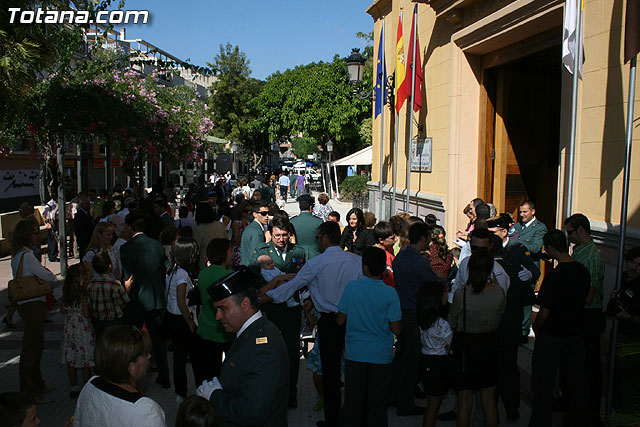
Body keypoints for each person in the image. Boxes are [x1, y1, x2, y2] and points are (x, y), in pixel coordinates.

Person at [262, 221, 363, 427]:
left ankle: (333, 420)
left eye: (318, 237)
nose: (317, 241)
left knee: (330, 374)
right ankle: (355, 417)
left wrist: (266, 297)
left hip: (329, 323)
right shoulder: (356, 261)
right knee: (355, 371)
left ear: (325, 237)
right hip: (353, 321)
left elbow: (292, 287)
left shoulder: (316, 263)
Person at [197, 268, 289, 427]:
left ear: (245, 304)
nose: (217, 316)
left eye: (223, 308)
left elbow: (252, 413)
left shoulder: (262, 348)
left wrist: (214, 395)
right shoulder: (253, 332)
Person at [529, 229, 590, 427]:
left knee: (543, 385)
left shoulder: (554, 277)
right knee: (575, 383)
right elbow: (586, 298)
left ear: (551, 248)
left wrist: (536, 327)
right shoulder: (582, 271)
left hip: (552, 336)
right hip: (575, 334)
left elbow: (544, 312)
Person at [337, 247, 402, 427]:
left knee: (353, 402)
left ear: (364, 267)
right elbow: (397, 329)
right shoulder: (390, 293)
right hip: (381, 355)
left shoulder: (352, 288)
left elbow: (340, 320)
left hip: (355, 354)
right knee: (378, 404)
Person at [486, 215, 538, 420]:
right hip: (496, 323)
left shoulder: (516, 250)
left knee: (508, 367)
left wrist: (529, 276)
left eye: (493, 233)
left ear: (504, 232)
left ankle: (509, 407)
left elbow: (533, 271)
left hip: (508, 322)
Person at [449, 249, 506, 427]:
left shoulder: (462, 294)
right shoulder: (499, 292)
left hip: (466, 348)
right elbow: (501, 316)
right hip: (489, 346)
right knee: (489, 402)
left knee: (464, 403)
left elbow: (453, 322)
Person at [389, 221, 439, 415]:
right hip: (413, 313)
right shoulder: (419, 262)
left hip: (401, 311)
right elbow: (433, 284)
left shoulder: (400, 257)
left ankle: (393, 395)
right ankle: (405, 403)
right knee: (411, 361)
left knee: (400, 357)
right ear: (423, 238)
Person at [254, 217, 304, 407]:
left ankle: (291, 394)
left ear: (290, 234)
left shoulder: (298, 251)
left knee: (292, 353)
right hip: (271, 311)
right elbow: (257, 284)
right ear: (270, 235)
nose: (281, 239)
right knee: (270, 353)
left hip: (291, 312)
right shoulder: (261, 252)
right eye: (277, 236)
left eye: (284, 235)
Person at [73, 325, 166, 426]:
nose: (149, 356)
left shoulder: (90, 386)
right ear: (130, 366)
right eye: (144, 353)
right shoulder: (147, 412)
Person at [120, 210, 170, 390]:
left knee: (133, 340)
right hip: (155, 298)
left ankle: (131, 378)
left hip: (135, 299)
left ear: (130, 227)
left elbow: (127, 276)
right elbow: (164, 268)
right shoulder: (157, 245)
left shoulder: (126, 248)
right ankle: (164, 376)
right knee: (158, 340)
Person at [10, 219, 59, 403]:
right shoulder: (27, 256)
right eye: (34, 233)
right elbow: (49, 277)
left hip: (25, 304)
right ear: (26, 235)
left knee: (35, 346)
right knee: (32, 348)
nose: (37, 236)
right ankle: (30, 391)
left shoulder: (17, 255)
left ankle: (37, 384)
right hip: (33, 304)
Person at [564, 213, 605, 422]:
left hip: (588, 317)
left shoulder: (590, 257)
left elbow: (588, 296)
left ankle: (590, 414)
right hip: (580, 315)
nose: (568, 237)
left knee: (588, 368)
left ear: (580, 230)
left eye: (570, 232)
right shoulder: (580, 251)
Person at [194, 239, 235, 386]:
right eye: (230, 251)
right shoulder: (229, 276)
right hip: (226, 332)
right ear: (223, 253)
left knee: (209, 376)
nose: (232, 254)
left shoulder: (203, 273)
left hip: (206, 329)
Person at [166, 238, 200, 402]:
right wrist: (190, 322)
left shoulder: (172, 270)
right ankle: (198, 388)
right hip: (182, 319)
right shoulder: (182, 274)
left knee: (179, 357)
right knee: (194, 356)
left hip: (172, 317)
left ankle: (180, 392)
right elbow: (181, 301)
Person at [416, 281, 452, 427]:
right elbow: (450, 343)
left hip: (425, 360)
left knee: (431, 402)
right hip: (439, 364)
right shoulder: (442, 324)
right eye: (444, 293)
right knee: (434, 405)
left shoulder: (423, 320)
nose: (447, 294)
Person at [60, 263, 95, 399]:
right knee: (85, 361)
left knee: (71, 360)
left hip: (70, 328)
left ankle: (74, 386)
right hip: (82, 328)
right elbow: (86, 313)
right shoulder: (83, 294)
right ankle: (87, 386)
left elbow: (63, 310)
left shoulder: (67, 293)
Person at [87, 251, 129, 338]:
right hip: (114, 320)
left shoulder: (90, 285)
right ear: (110, 266)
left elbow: (89, 304)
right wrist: (127, 289)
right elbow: (123, 303)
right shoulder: (115, 284)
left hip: (98, 320)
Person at [194, 203, 229, 270]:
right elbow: (227, 241)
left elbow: (195, 248)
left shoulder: (199, 229)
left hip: (206, 264)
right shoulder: (220, 225)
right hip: (222, 263)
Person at [290, 194, 323, 260]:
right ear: (311, 207)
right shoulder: (319, 221)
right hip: (315, 256)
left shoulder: (292, 221)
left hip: (298, 257)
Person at [239, 200, 269, 269]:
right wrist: (267, 242)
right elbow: (257, 256)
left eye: (268, 213)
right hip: (252, 270)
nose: (267, 216)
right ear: (255, 214)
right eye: (263, 213)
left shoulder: (249, 227)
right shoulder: (257, 232)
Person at [373, 221, 397, 288]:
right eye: (392, 238)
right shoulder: (374, 255)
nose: (395, 240)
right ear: (381, 240)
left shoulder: (389, 248)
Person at [42, 196, 59, 262]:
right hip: (51, 222)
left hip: (56, 221)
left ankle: (54, 254)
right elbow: (44, 214)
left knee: (55, 239)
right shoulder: (50, 203)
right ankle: (52, 256)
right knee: (52, 239)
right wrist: (47, 223)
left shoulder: (57, 203)